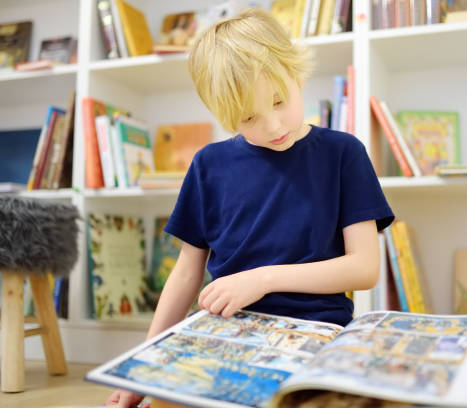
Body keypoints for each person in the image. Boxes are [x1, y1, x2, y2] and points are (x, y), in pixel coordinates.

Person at [106, 7, 394, 407]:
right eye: (249, 117)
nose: (274, 125)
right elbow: (186, 275)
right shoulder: (209, 164)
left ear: (299, 75)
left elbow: (364, 268)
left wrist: (262, 279)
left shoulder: (343, 153)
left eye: (279, 100)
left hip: (317, 331)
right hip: (224, 332)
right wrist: (142, 363)